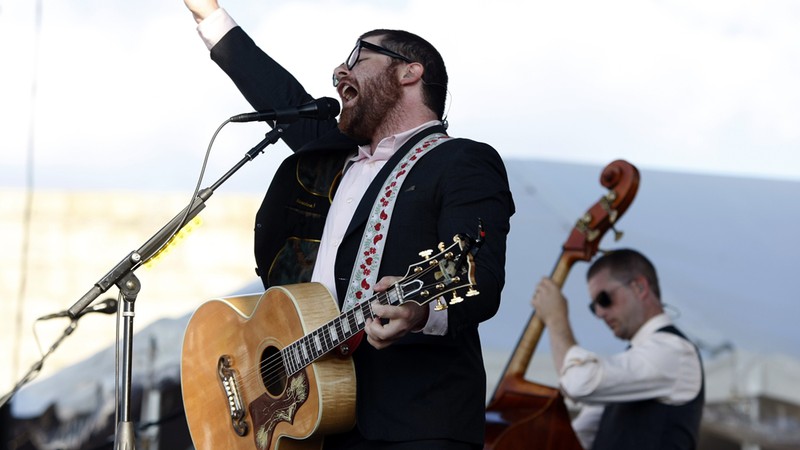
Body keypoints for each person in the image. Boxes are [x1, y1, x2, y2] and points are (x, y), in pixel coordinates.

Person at [182, 1, 515, 449]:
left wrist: (420, 312)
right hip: (325, 418)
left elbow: (482, 277)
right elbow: (279, 96)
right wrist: (210, 16)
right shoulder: (335, 159)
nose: (339, 70)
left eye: (358, 57)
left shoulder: (462, 161)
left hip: (415, 423)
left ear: (408, 72)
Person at [531, 249, 704, 450]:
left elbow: (578, 383)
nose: (600, 312)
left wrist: (555, 319)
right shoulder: (631, 363)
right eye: (593, 306)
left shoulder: (674, 351)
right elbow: (577, 437)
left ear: (640, 287)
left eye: (604, 299)